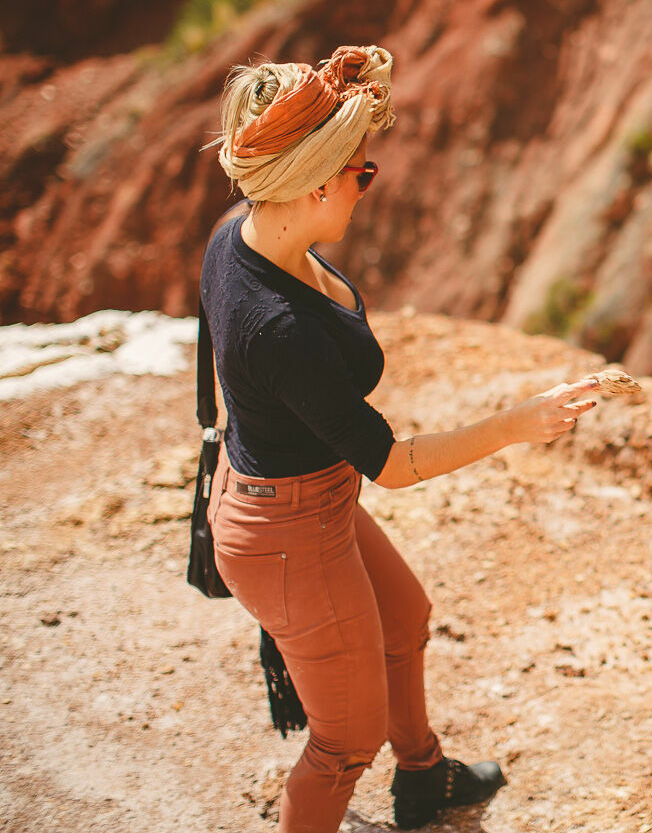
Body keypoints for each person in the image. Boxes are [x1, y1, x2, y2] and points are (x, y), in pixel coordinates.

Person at [201, 44, 598, 832]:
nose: (367, 184)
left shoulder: (241, 232)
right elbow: (390, 462)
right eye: (362, 172)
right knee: (345, 742)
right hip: (286, 530)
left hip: (304, 501)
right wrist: (517, 424)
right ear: (315, 184)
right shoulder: (278, 329)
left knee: (404, 617)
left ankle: (421, 778)